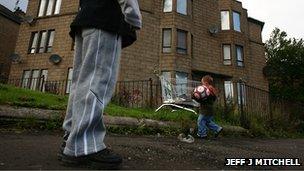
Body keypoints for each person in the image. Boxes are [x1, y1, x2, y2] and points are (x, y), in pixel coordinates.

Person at [58, 0, 142, 169]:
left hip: (86, 19)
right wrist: (133, 17)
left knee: (81, 83)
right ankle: (83, 146)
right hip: (105, 20)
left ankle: (71, 137)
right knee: (97, 82)